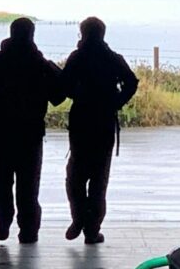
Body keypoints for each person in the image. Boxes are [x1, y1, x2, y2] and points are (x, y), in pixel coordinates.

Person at [0, 17, 64, 243]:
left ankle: (3, 220)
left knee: (0, 179)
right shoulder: (39, 64)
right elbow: (58, 95)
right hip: (31, 131)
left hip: (1, 131)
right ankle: (28, 230)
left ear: (11, 33)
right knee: (28, 183)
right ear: (32, 35)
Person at [59, 17, 139, 244]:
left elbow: (64, 86)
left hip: (81, 121)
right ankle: (92, 229)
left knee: (75, 175)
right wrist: (116, 101)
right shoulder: (112, 58)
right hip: (104, 122)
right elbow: (131, 82)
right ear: (103, 34)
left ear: (83, 33)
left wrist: (78, 95)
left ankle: (78, 219)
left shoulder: (77, 58)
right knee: (98, 177)